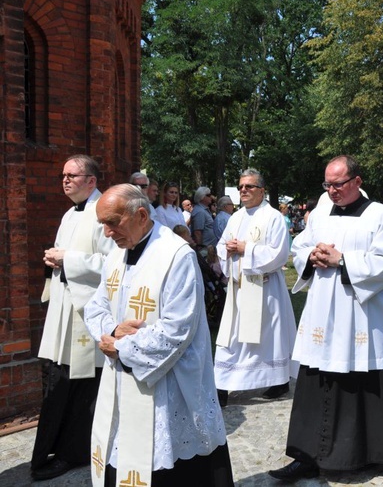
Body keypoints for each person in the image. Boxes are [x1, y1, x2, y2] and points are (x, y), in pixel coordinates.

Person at [270, 156, 383, 481]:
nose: (331, 190)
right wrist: (312, 255)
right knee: (315, 380)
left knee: (360, 381)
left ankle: (364, 456)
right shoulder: (320, 213)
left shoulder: (379, 215)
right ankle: (306, 455)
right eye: (327, 184)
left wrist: (343, 260)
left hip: (362, 316)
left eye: (338, 184)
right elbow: (301, 246)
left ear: (357, 182)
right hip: (324, 314)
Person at [84, 184, 233, 487]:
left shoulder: (176, 255)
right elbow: (95, 305)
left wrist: (122, 347)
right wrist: (113, 331)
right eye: (103, 224)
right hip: (122, 379)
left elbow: (177, 329)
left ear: (140, 214)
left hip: (169, 385)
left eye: (113, 222)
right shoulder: (116, 252)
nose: (107, 232)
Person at [31, 155, 115, 481]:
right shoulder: (69, 214)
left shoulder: (103, 213)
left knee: (82, 386)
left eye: (72, 175)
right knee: (61, 383)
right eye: (63, 175)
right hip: (64, 309)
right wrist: (55, 261)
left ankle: (72, 452)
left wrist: (69, 259)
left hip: (86, 312)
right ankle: (44, 459)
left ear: (91, 181)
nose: (64, 180)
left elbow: (111, 264)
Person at [214, 170, 298, 406]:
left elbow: (279, 254)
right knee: (230, 337)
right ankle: (221, 383)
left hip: (265, 288)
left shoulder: (273, 218)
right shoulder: (236, 217)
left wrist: (245, 249)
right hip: (238, 288)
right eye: (241, 186)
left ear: (262, 190)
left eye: (249, 186)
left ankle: (278, 379)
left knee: (266, 337)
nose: (243, 190)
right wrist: (228, 249)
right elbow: (221, 245)